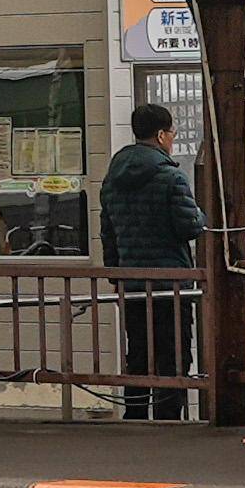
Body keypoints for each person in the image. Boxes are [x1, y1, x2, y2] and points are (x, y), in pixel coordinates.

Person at [99, 101, 206, 420]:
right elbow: (189, 226)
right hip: (171, 283)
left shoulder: (112, 177)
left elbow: (108, 233)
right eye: (172, 133)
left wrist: (116, 277)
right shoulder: (170, 177)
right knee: (173, 357)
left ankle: (135, 418)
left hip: (132, 282)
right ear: (161, 135)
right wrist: (201, 216)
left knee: (139, 356)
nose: (173, 138)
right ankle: (169, 418)